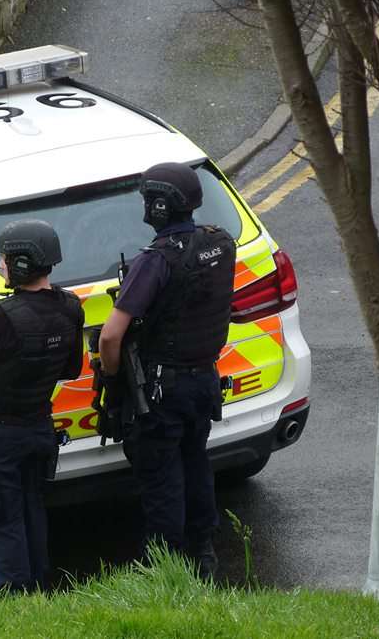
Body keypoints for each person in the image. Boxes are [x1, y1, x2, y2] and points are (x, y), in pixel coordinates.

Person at [98, 162, 236, 579]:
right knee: (196, 464)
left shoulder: (154, 262)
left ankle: (166, 566)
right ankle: (204, 553)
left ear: (159, 205)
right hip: (202, 382)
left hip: (160, 390)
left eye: (147, 199)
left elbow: (110, 337)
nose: (144, 205)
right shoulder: (220, 243)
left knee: (161, 479)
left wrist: (110, 379)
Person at [0, 219, 84, 592]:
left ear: (22, 263)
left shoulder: (1, 318)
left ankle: (16, 601)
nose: (2, 265)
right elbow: (72, 368)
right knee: (31, 512)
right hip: (38, 429)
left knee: (2, 517)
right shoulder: (71, 307)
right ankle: (39, 592)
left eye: (6, 259)